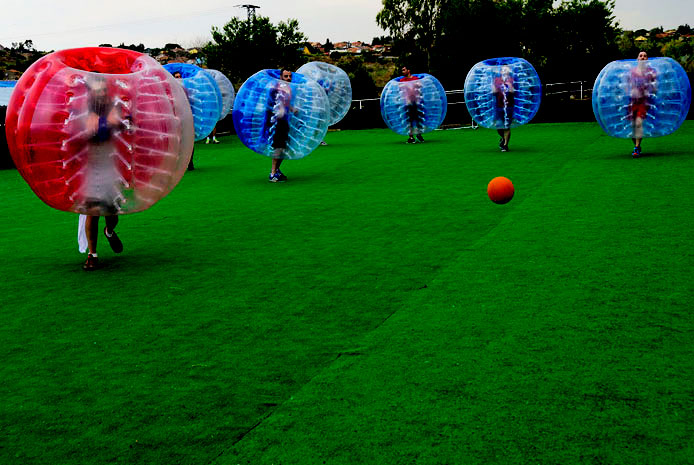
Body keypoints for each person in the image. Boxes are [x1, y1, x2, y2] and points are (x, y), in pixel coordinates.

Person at [80, 77, 125, 271]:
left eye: (104, 90)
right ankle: (92, 254)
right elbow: (80, 135)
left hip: (110, 166)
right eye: (98, 90)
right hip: (90, 168)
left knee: (111, 212)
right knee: (92, 212)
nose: (102, 93)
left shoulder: (114, 107)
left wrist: (108, 123)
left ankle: (109, 231)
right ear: (90, 92)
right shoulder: (82, 111)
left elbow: (118, 126)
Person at [268, 68, 295, 182]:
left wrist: (293, 109)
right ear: (280, 77)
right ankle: (273, 173)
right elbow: (271, 104)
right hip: (277, 121)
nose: (288, 78)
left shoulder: (288, 88)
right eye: (286, 76)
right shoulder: (276, 88)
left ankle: (277, 170)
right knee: (278, 146)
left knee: (283, 147)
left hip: (285, 120)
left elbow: (286, 104)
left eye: (289, 76)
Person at [629, 51, 656, 158]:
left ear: (647, 59)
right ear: (637, 59)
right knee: (632, 127)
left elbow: (655, 87)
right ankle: (637, 145)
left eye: (645, 56)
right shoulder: (632, 71)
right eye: (641, 56)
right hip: (632, 101)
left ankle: (636, 148)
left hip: (644, 102)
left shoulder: (651, 72)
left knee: (639, 123)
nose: (643, 57)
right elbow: (628, 86)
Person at [173, 71, 196, 170]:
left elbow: (192, 103)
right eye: (176, 77)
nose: (178, 79)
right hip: (176, 119)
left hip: (186, 118)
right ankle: (180, 164)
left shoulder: (186, 90)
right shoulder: (171, 91)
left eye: (179, 77)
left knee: (189, 140)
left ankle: (190, 163)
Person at [493, 65, 515, 152]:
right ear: (501, 71)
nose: (505, 70)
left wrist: (509, 85)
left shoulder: (511, 80)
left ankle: (505, 145)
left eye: (507, 69)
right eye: (503, 69)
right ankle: (503, 137)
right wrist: (494, 87)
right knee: (498, 126)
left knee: (506, 126)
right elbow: (494, 92)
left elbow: (513, 92)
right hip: (499, 106)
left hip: (509, 107)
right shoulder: (497, 80)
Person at [400, 65, 424, 144]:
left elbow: (420, 89)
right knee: (409, 120)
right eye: (402, 70)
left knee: (418, 119)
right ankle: (411, 137)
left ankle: (418, 134)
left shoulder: (415, 79)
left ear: (408, 70)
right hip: (407, 103)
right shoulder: (402, 80)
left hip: (416, 102)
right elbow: (401, 91)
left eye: (404, 70)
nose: (402, 71)